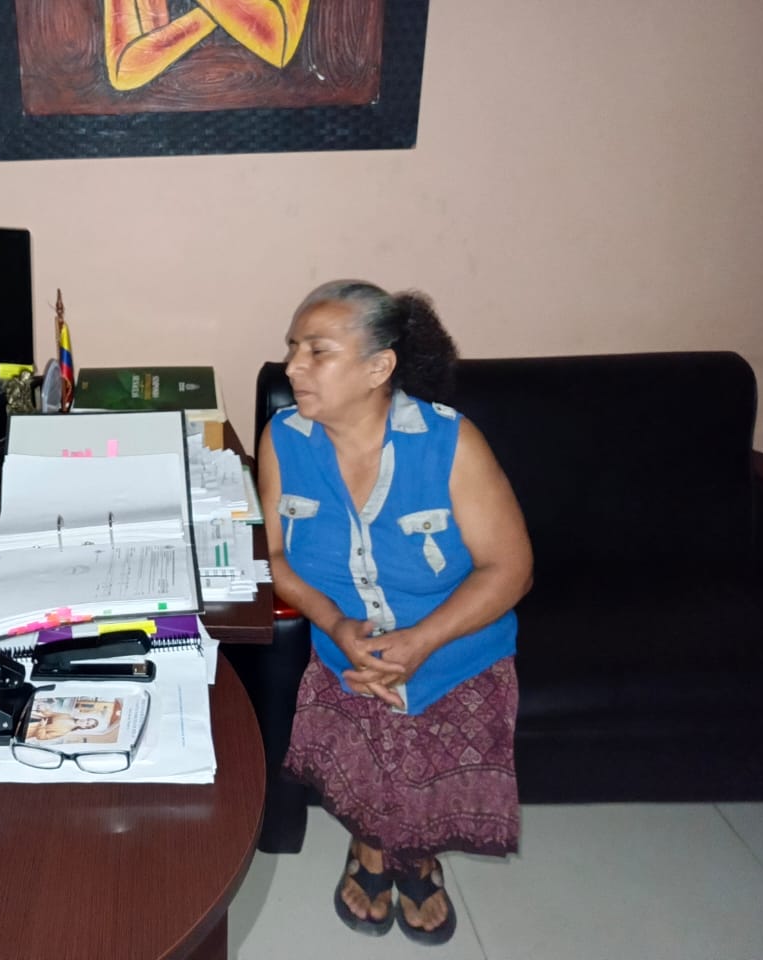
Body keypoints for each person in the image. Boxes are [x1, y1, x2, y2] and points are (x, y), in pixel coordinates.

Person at [259, 280, 533, 945]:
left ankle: (414, 854)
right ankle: (372, 846)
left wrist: (419, 642)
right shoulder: (283, 439)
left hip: (452, 657)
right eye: (293, 348)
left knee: (423, 783)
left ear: (379, 367)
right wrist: (335, 624)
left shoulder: (450, 443)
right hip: (346, 655)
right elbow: (276, 556)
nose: (293, 367)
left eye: (317, 351)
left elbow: (511, 569)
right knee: (366, 776)